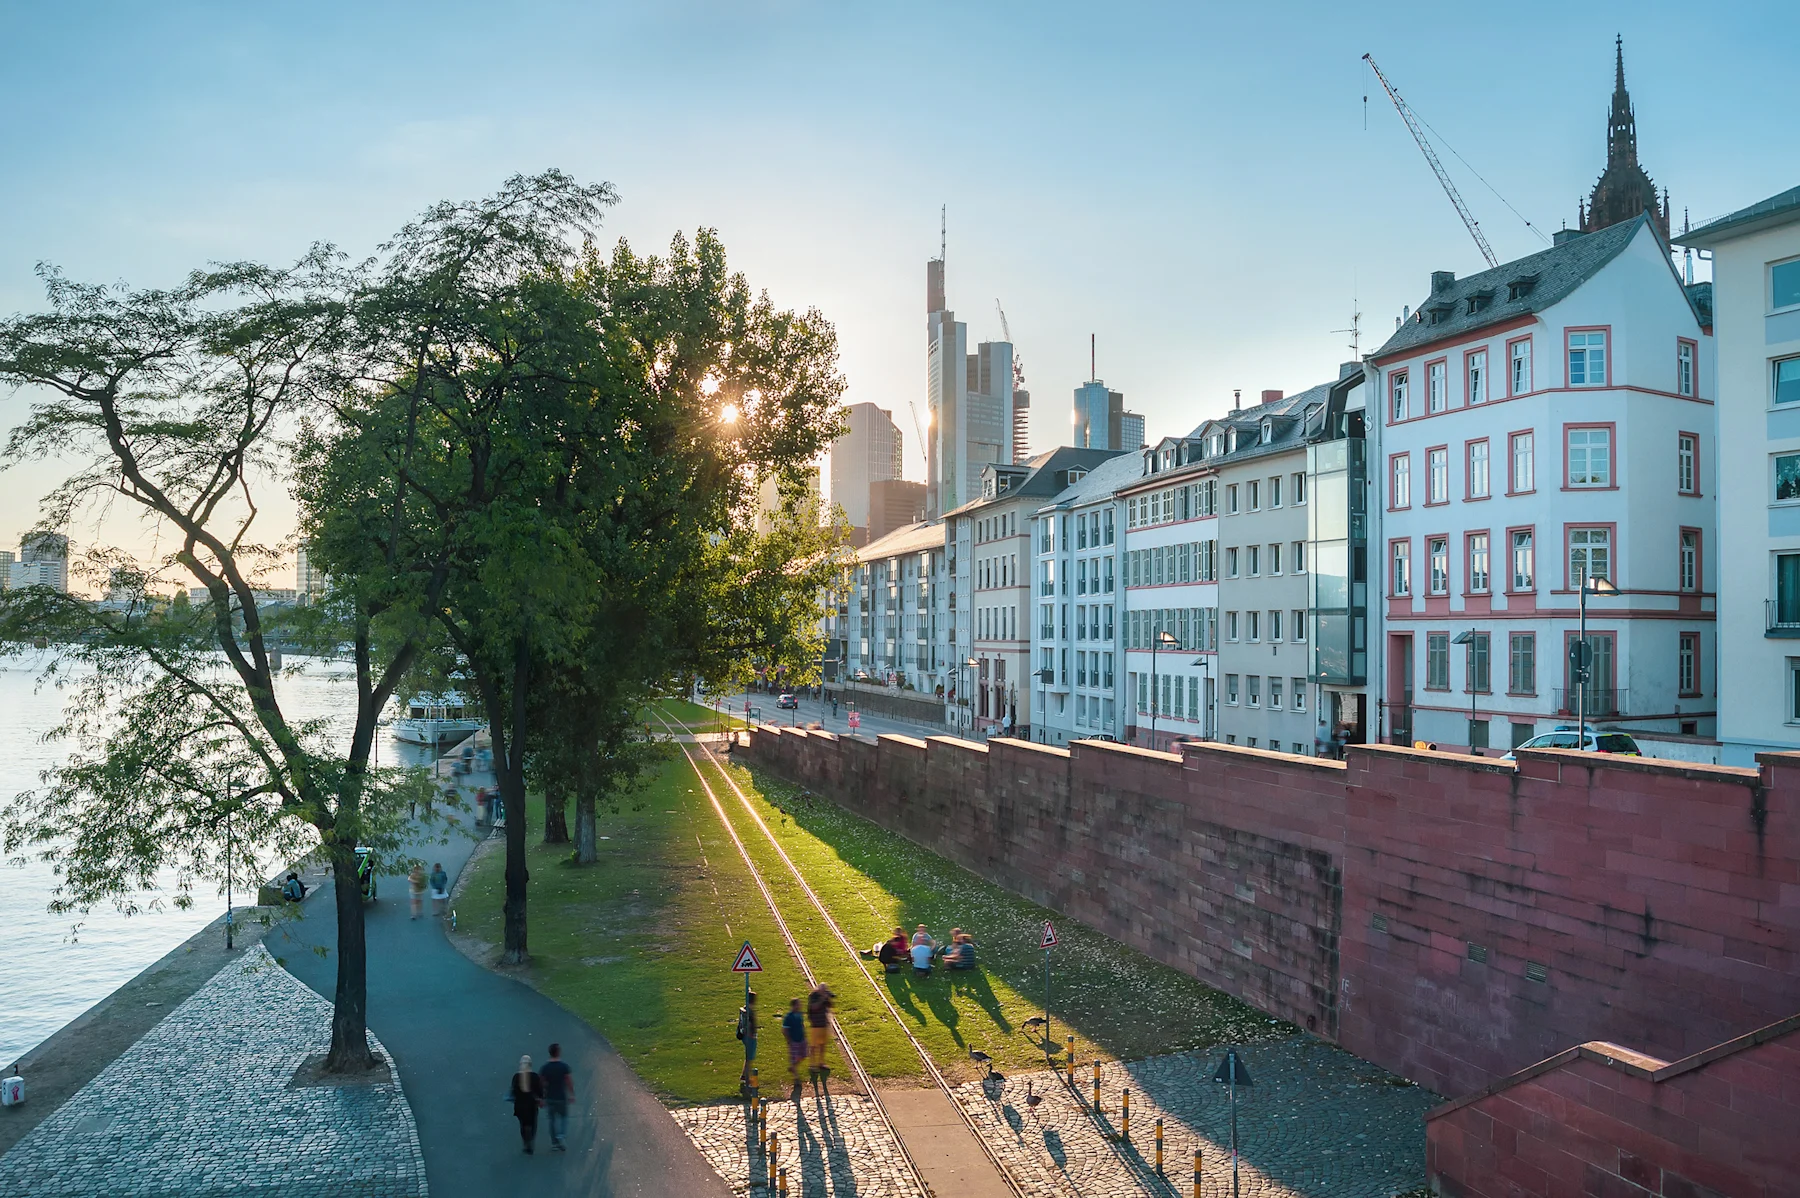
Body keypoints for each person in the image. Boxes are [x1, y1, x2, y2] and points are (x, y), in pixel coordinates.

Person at [539, 1043, 573, 1152]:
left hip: (550, 1097)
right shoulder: (563, 1066)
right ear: (558, 1052)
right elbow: (568, 1081)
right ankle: (561, 1135)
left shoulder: (545, 1068)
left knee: (552, 1120)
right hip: (561, 1097)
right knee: (564, 1117)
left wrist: (541, 1098)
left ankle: (554, 1143)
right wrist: (571, 1094)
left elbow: (541, 1084)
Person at [509, 1055, 545, 1153]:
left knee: (523, 1123)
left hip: (520, 1105)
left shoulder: (516, 1077)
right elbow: (539, 1090)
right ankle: (531, 1138)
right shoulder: (535, 1076)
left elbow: (513, 1091)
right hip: (532, 1104)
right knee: (533, 1123)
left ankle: (525, 1140)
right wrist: (541, 1099)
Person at [805, 985, 834, 1075]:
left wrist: (827, 998)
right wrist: (822, 998)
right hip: (815, 1025)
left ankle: (821, 1062)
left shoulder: (824, 996)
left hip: (823, 1023)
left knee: (822, 1045)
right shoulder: (813, 996)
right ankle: (812, 1064)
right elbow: (814, 1007)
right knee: (813, 1046)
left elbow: (830, 1006)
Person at [781, 997, 807, 1083]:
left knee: (803, 1055)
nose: (800, 1006)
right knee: (794, 1058)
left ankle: (793, 1067)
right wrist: (789, 1040)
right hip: (794, 1040)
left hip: (801, 1039)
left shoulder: (799, 1014)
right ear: (794, 1005)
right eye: (798, 1004)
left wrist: (804, 1034)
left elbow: (802, 1025)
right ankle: (796, 1077)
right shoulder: (788, 1017)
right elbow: (784, 1030)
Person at [737, 990, 759, 1087]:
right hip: (750, 1037)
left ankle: (743, 1075)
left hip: (745, 1036)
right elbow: (750, 1024)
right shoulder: (749, 1012)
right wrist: (752, 1035)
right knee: (750, 1058)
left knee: (748, 1058)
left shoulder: (744, 1009)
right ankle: (747, 1079)